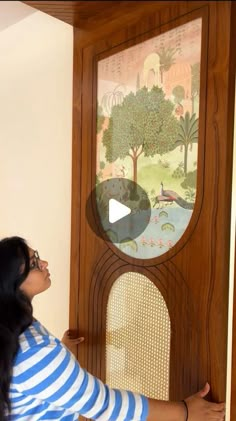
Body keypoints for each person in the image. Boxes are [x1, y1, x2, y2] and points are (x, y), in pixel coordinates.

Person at [0, 236, 225, 421]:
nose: (44, 263)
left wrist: (60, 352)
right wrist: (185, 412)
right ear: (13, 281)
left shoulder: (12, 327)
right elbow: (104, 404)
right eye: (34, 262)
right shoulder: (35, 353)